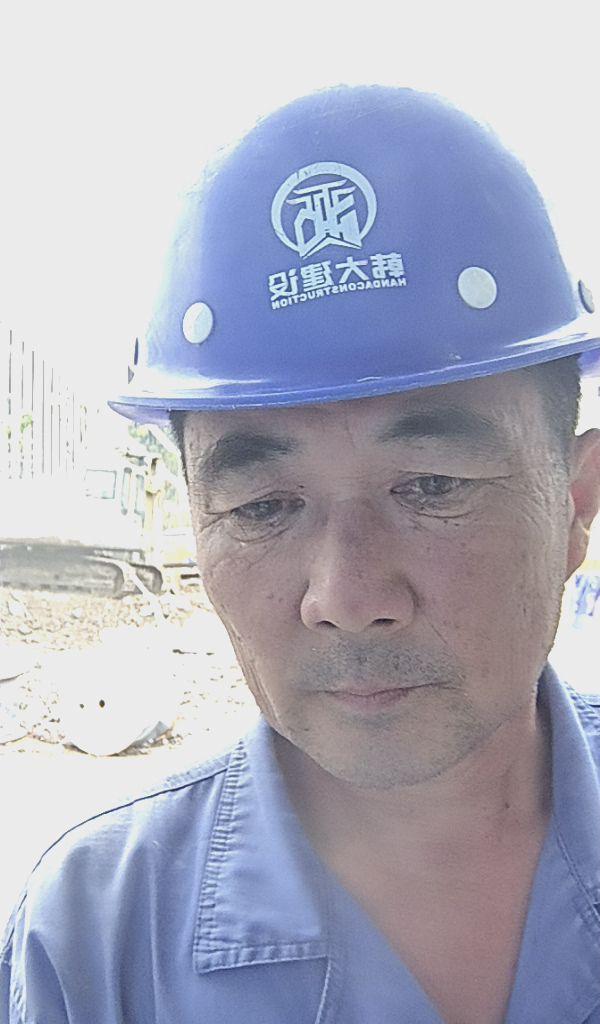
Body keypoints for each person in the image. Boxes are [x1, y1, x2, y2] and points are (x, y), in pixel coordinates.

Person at [2, 85, 600, 1024]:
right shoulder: (94, 946)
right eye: (264, 506)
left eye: (431, 486)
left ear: (573, 503)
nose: (347, 596)